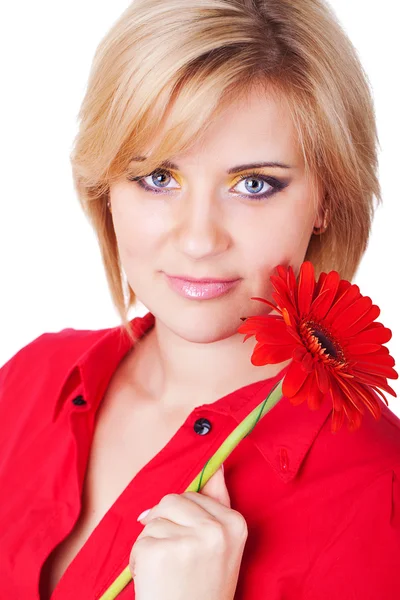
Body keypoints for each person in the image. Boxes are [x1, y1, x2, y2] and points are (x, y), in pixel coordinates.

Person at [1, 0, 399, 598]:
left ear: (325, 201)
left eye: (254, 184)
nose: (198, 238)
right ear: (105, 186)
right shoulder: (33, 380)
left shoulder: (377, 487)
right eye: (158, 177)